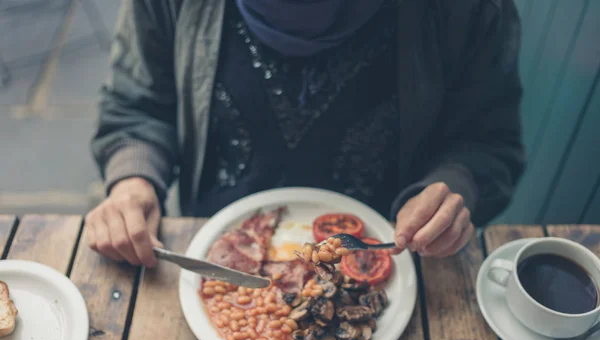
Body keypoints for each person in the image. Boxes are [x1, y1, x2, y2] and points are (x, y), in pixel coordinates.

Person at [87, 0, 525, 267]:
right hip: (211, 241)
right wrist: (133, 182)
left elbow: (489, 139)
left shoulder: (468, 9)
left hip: (395, 254)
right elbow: (135, 106)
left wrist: (452, 190)